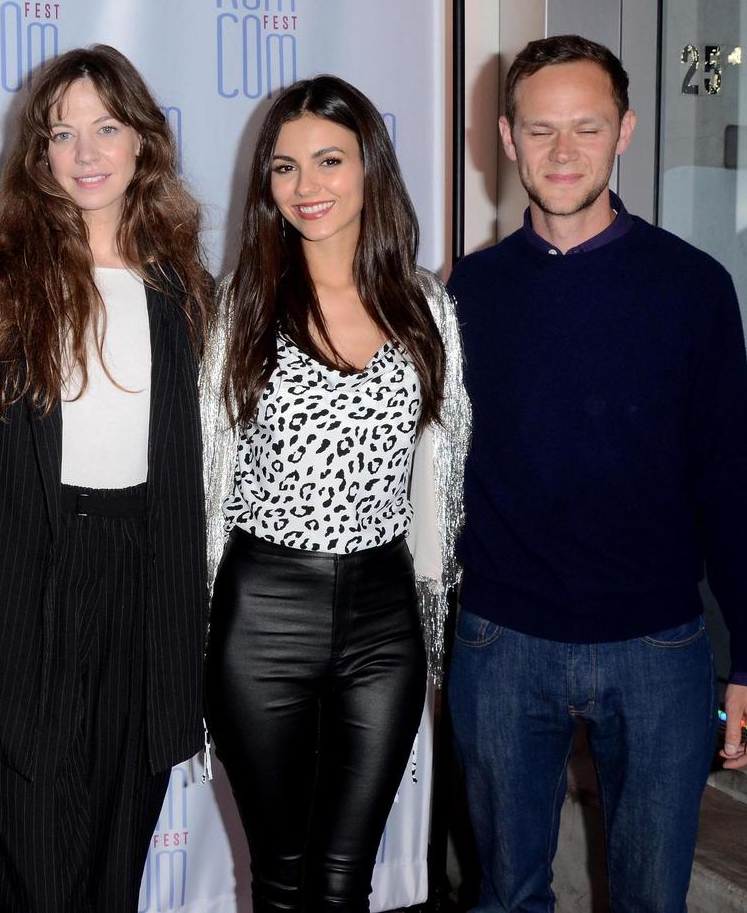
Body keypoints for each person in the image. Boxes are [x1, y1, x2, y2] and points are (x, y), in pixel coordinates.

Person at [448, 34, 747, 911]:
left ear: (625, 131)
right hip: (501, 642)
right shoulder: (465, 293)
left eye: (586, 128)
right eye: (541, 130)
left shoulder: (693, 287)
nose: (563, 153)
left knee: (651, 900)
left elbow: (734, 480)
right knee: (505, 897)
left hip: (659, 647)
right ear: (508, 138)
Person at [0, 44, 210, 911]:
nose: (86, 153)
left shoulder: (184, 287)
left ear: (143, 144)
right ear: (39, 153)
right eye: (62, 134)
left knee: (113, 866)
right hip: (20, 596)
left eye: (106, 128)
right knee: (33, 870)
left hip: (144, 595)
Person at [200, 75, 470, 911]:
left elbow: (443, 474)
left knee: (347, 877)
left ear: (370, 168)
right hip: (262, 609)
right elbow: (207, 470)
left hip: (384, 617)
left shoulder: (425, 305)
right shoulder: (241, 306)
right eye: (285, 168)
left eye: (329, 161)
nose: (308, 187)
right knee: (280, 879)